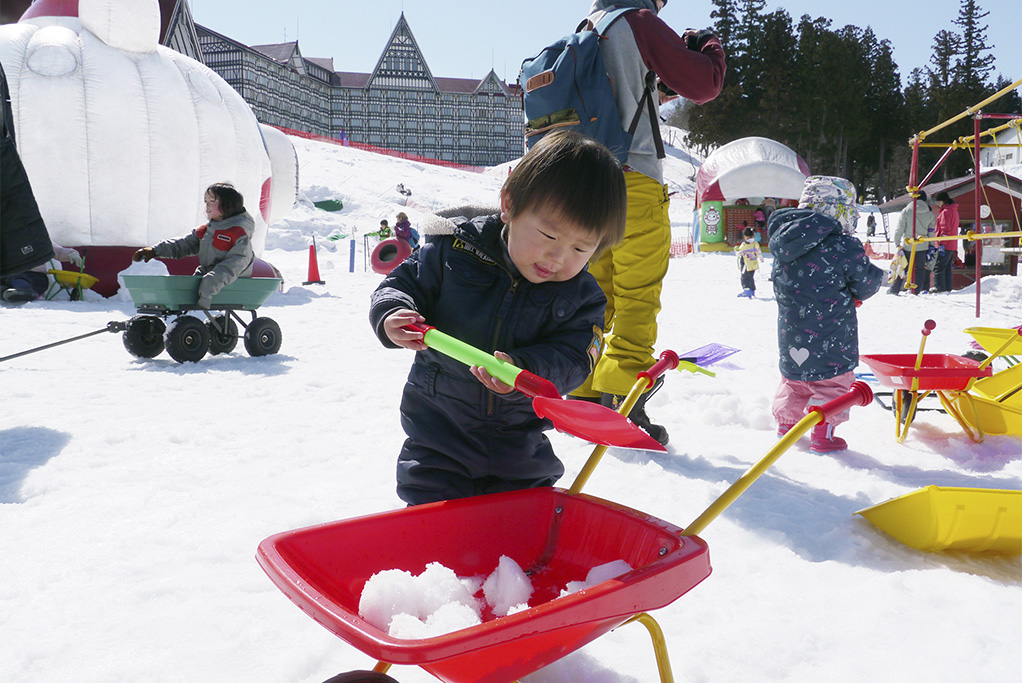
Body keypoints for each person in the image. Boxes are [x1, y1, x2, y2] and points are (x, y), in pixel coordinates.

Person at [369, 130, 626, 505]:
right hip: (439, 435)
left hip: (519, 445)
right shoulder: (452, 250)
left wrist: (524, 370)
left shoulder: (582, 297)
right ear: (509, 205)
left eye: (579, 248)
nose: (557, 258)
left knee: (519, 529)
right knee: (434, 527)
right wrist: (391, 313)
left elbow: (575, 358)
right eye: (547, 235)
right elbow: (401, 282)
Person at [568, 0, 726, 446]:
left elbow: (627, 96)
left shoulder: (589, 26)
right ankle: (624, 397)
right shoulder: (637, 21)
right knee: (638, 294)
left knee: (593, 296)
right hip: (633, 182)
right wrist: (708, 48)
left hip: (586, 188)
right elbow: (704, 85)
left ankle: (581, 390)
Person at [768, 176, 884, 454]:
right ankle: (824, 431)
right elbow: (865, 283)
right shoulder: (843, 245)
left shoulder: (786, 242)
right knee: (832, 382)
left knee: (795, 380)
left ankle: (787, 425)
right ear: (841, 211)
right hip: (833, 332)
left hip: (792, 331)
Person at [133, 182, 254, 309]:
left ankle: (190, 324)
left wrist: (211, 281)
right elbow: (184, 244)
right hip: (209, 278)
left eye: (212, 201)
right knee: (185, 288)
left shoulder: (239, 232)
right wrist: (155, 250)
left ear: (228, 205)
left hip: (232, 280)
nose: (206, 206)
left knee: (199, 285)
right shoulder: (208, 230)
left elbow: (236, 263)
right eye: (205, 201)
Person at [1, 240, 83, 302]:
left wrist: (71, 253)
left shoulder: (36, 237)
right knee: (7, 277)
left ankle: (24, 291)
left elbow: (58, 251)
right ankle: (5, 291)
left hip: (34, 276)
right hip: (10, 274)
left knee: (22, 278)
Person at [889, 190, 935, 295]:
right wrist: (932, 245)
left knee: (904, 266)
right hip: (923, 245)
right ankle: (916, 291)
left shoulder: (907, 211)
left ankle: (895, 289)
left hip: (908, 244)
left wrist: (897, 242)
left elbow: (900, 228)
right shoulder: (929, 213)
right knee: (920, 269)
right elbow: (931, 232)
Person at [932, 191, 960, 292]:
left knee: (938, 267)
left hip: (945, 244)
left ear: (944, 201)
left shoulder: (946, 212)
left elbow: (945, 229)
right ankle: (947, 287)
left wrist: (942, 243)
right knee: (947, 267)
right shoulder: (954, 210)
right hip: (952, 244)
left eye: (939, 202)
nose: (938, 204)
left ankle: (939, 288)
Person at [735, 226, 762, 298]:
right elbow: (759, 251)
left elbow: (739, 253)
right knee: (751, 277)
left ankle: (747, 290)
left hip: (746, 264)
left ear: (745, 236)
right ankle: (752, 290)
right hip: (753, 263)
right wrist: (761, 258)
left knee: (744, 277)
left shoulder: (744, 245)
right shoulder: (755, 244)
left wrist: (736, 251)